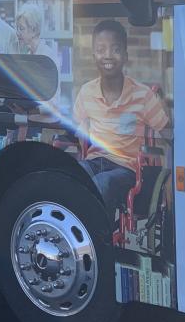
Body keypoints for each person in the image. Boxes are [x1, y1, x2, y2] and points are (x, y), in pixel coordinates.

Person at [72, 20, 171, 214]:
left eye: (115, 49)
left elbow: (170, 136)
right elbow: (74, 132)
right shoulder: (86, 92)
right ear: (94, 56)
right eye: (101, 50)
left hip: (127, 169)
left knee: (102, 183)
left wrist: (170, 175)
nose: (108, 55)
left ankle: (100, 232)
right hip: (94, 161)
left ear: (125, 56)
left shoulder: (143, 96)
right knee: (73, 176)